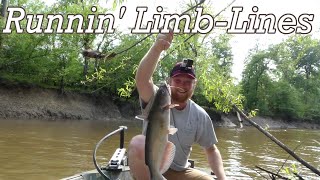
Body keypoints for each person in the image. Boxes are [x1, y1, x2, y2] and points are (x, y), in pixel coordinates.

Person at [128, 30, 227, 180]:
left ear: (195, 85)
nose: (182, 85)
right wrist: (157, 48)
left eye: (188, 82)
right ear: (169, 82)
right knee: (138, 143)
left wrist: (222, 178)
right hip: (149, 168)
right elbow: (142, 80)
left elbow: (211, 150)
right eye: (178, 81)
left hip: (181, 172)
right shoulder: (156, 98)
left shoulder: (200, 115)